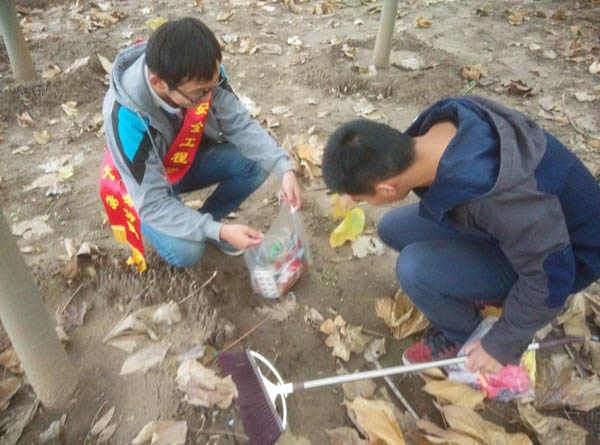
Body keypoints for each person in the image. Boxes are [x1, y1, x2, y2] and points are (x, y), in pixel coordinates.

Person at [322, 95, 600, 374]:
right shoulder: (440, 122)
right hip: (525, 229)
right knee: (392, 228)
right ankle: (478, 289)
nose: (355, 202)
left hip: (570, 257)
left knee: (413, 269)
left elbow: (552, 279)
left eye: (361, 198)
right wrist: (357, 187)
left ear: (387, 188)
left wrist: (500, 343)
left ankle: (466, 338)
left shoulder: (498, 198)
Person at [100, 18, 301, 271]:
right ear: (158, 82)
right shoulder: (125, 115)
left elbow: (239, 124)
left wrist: (284, 168)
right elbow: (151, 202)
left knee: (257, 162)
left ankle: (206, 221)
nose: (208, 98)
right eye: (200, 93)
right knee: (187, 250)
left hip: (183, 160)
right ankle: (204, 229)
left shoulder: (202, 72)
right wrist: (220, 231)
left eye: (212, 87)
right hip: (144, 185)